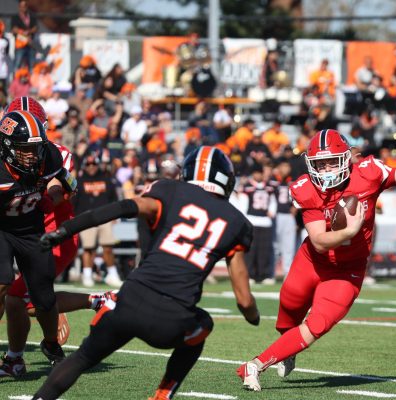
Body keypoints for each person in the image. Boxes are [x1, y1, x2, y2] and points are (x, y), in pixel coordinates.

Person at [32, 146, 260, 400]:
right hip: (171, 321)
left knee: (82, 358)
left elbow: (120, 208)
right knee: (203, 323)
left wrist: (66, 230)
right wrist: (254, 317)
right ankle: (163, 395)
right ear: (226, 180)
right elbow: (244, 300)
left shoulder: (169, 191)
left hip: (128, 303)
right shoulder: (236, 222)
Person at [237, 128, 396, 391]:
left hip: (347, 269)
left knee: (318, 323)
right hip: (312, 261)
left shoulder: (368, 173)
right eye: (320, 164)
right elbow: (320, 241)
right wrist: (348, 231)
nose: (326, 169)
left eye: (332, 161)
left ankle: (254, 365)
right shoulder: (306, 189)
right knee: (287, 315)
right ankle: (287, 349)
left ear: (346, 158)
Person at [0, 110, 77, 373]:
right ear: (8, 146)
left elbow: (67, 183)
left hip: (31, 230)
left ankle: (51, 343)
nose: (33, 154)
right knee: (1, 283)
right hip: (1, 229)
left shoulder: (49, 155)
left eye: (36, 147)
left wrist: (52, 197)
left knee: (43, 299)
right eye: (25, 149)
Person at [73, 154, 122, 288]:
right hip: (86, 217)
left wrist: (114, 216)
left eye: (94, 164)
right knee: (89, 248)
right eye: (88, 165)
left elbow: (114, 199)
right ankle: (87, 274)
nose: (91, 167)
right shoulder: (79, 181)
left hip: (105, 218)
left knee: (108, 247)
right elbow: (74, 202)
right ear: (84, 166)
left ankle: (112, 274)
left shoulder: (106, 180)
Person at [10, 0, 38, 71]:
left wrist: (28, 31)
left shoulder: (32, 16)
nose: (23, 8)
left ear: (27, 7)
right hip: (20, 45)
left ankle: (30, 81)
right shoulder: (15, 17)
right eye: (21, 6)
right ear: (19, 7)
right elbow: (14, 29)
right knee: (17, 64)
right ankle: (15, 81)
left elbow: (35, 27)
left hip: (30, 44)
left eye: (24, 6)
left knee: (31, 65)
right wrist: (23, 33)